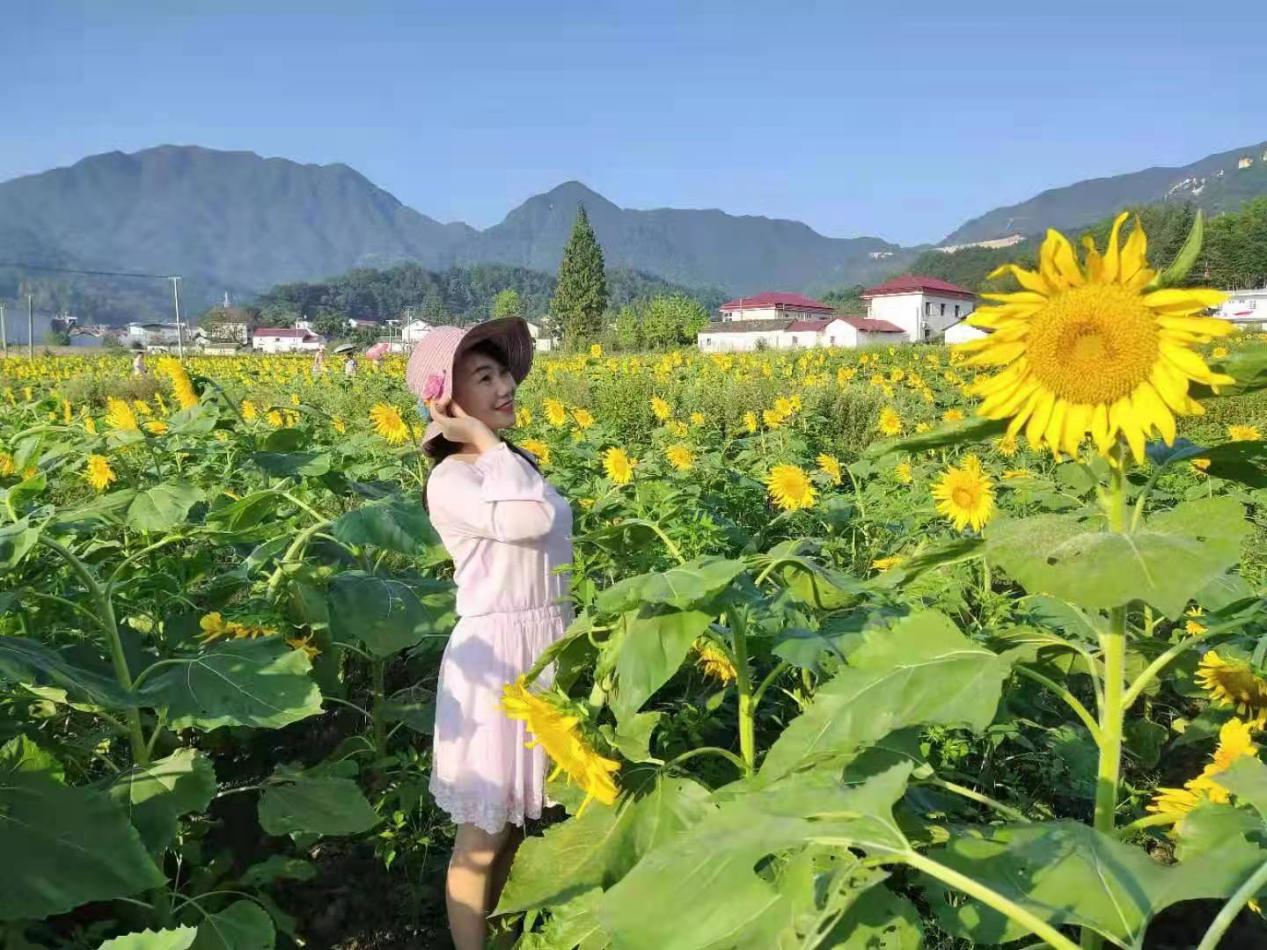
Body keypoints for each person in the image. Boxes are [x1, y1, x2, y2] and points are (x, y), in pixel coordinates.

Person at [406, 318, 572, 950]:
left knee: (513, 829)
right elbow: (532, 522)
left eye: (503, 372)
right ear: (446, 398)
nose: (505, 386)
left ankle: (500, 938)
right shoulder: (454, 479)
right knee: (482, 835)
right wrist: (477, 438)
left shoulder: (510, 463)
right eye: (484, 377)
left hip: (544, 644)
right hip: (498, 660)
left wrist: (491, 443)